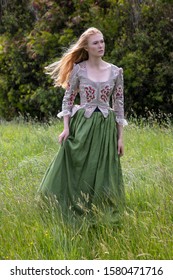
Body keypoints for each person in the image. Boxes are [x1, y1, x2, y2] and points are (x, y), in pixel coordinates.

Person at [38, 27, 127, 221]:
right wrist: (66, 127)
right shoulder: (79, 69)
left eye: (102, 41)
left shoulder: (115, 71)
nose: (100, 45)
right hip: (82, 125)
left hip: (105, 128)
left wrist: (120, 137)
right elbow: (68, 99)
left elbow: (118, 104)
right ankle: (70, 206)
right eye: (95, 42)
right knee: (78, 166)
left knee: (102, 170)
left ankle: (99, 210)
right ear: (86, 47)